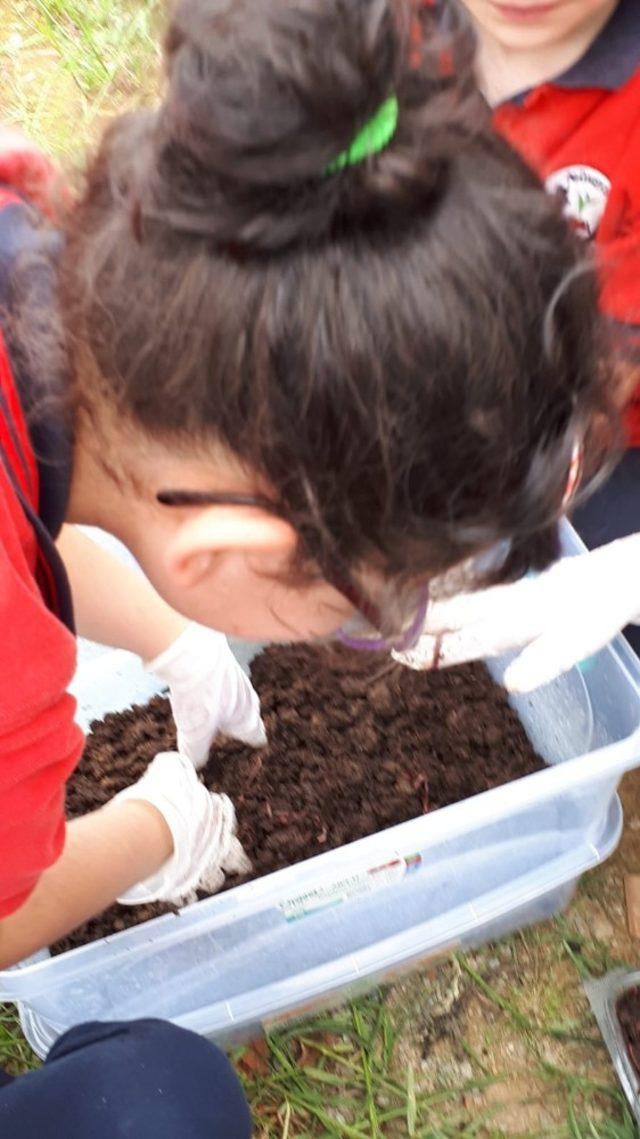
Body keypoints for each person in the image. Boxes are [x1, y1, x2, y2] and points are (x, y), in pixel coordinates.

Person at [0, 0, 618, 1131]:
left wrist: (169, 634)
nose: (392, 621)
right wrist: (150, 826)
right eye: (375, 603)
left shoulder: (26, 230)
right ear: (233, 546)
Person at [455, 0, 640, 650]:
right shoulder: (387, 32)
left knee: (595, 625)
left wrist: (509, 508)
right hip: (443, 367)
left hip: (603, 428)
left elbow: (605, 374)